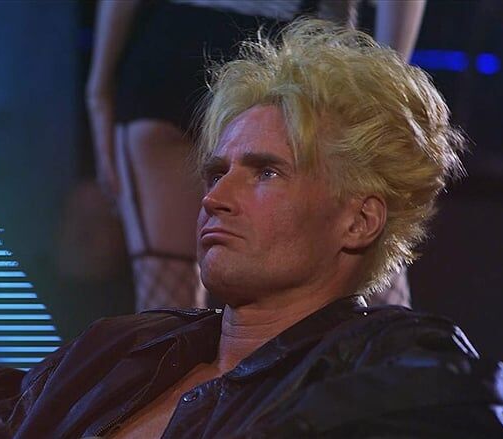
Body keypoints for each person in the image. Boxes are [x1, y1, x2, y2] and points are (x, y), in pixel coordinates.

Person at [0, 19, 503, 438]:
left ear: (359, 217)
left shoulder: (403, 369)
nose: (215, 196)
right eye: (217, 171)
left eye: (264, 172)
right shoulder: (125, 351)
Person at [87, 0, 426, 311]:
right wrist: (382, 90)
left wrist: (99, 89)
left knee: (165, 311)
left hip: (174, 52)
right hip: (298, 59)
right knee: (374, 286)